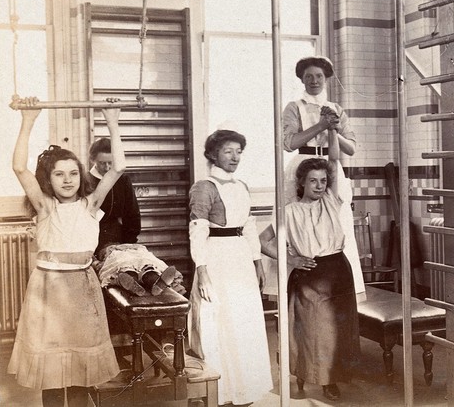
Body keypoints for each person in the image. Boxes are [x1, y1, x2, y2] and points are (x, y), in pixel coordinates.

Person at [7, 98, 122, 407]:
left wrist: (111, 119)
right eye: (59, 174)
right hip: (49, 291)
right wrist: (29, 120)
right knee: (53, 374)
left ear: (81, 174)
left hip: (83, 290)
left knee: (82, 374)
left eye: (73, 173)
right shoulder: (45, 208)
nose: (68, 180)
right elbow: (19, 167)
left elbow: (119, 167)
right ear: (49, 178)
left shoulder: (90, 205)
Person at [261, 127, 360, 401]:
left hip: (338, 271)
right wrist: (291, 259)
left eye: (322, 180)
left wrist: (331, 129)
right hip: (309, 274)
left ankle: (331, 382)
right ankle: (305, 375)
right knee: (309, 332)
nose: (319, 185)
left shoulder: (331, 200)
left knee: (335, 331)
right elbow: (263, 241)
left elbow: (335, 161)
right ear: (301, 183)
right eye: (313, 181)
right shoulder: (289, 211)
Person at [187, 129, 273, 405]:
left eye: (238, 151)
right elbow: (197, 231)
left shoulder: (241, 186)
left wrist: (257, 261)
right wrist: (201, 271)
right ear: (213, 154)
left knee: (243, 321)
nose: (235, 157)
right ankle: (220, 392)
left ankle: (244, 389)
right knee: (219, 323)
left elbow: (249, 226)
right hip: (216, 259)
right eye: (228, 151)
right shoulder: (204, 187)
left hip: (240, 261)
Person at [280, 55, 365, 295]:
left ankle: (337, 285)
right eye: (308, 76)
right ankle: (300, 285)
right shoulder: (294, 107)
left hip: (331, 164)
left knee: (335, 221)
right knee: (300, 223)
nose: (314, 80)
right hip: (303, 165)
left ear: (326, 78)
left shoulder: (337, 109)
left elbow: (352, 147)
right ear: (301, 80)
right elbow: (289, 142)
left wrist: (333, 127)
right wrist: (320, 125)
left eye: (318, 76)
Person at [88, 137, 141, 256]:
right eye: (102, 163)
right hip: (93, 239)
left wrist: (130, 243)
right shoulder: (86, 181)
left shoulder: (123, 180)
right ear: (93, 160)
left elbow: (132, 214)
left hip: (119, 237)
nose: (107, 168)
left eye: (110, 163)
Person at [95, 243, 183, 296]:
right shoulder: (110, 251)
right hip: (136, 253)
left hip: (133, 253)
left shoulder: (110, 250)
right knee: (147, 267)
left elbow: (99, 264)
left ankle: (135, 283)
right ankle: (154, 281)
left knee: (127, 266)